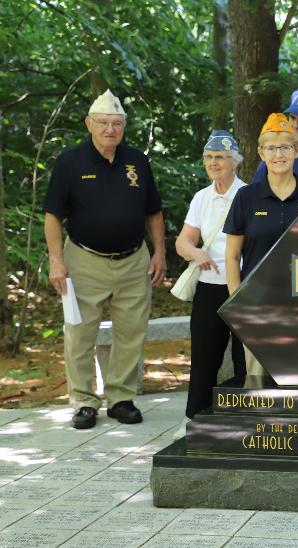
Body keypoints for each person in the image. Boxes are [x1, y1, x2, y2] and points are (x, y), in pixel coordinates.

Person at [43, 89, 166, 430]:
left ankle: (121, 398)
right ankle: (83, 400)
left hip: (133, 261)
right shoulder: (70, 162)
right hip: (84, 260)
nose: (110, 129)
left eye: (117, 123)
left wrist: (159, 252)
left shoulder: (137, 161)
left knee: (132, 331)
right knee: (80, 333)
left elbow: (153, 211)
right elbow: (53, 216)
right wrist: (57, 261)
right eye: (103, 123)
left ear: (124, 126)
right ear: (89, 124)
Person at [225, 114, 298, 375]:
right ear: (261, 153)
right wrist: (237, 304)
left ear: (297, 151)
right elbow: (232, 256)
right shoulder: (246, 197)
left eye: (286, 147)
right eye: (271, 148)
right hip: (258, 307)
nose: (279, 154)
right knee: (259, 384)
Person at [174, 130, 247, 436]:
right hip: (208, 285)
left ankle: (246, 419)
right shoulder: (202, 197)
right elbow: (183, 241)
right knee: (204, 355)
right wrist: (195, 252)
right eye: (209, 157)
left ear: (235, 162)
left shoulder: (248, 195)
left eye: (220, 157)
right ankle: (193, 418)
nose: (214, 163)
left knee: (244, 357)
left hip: (241, 285)